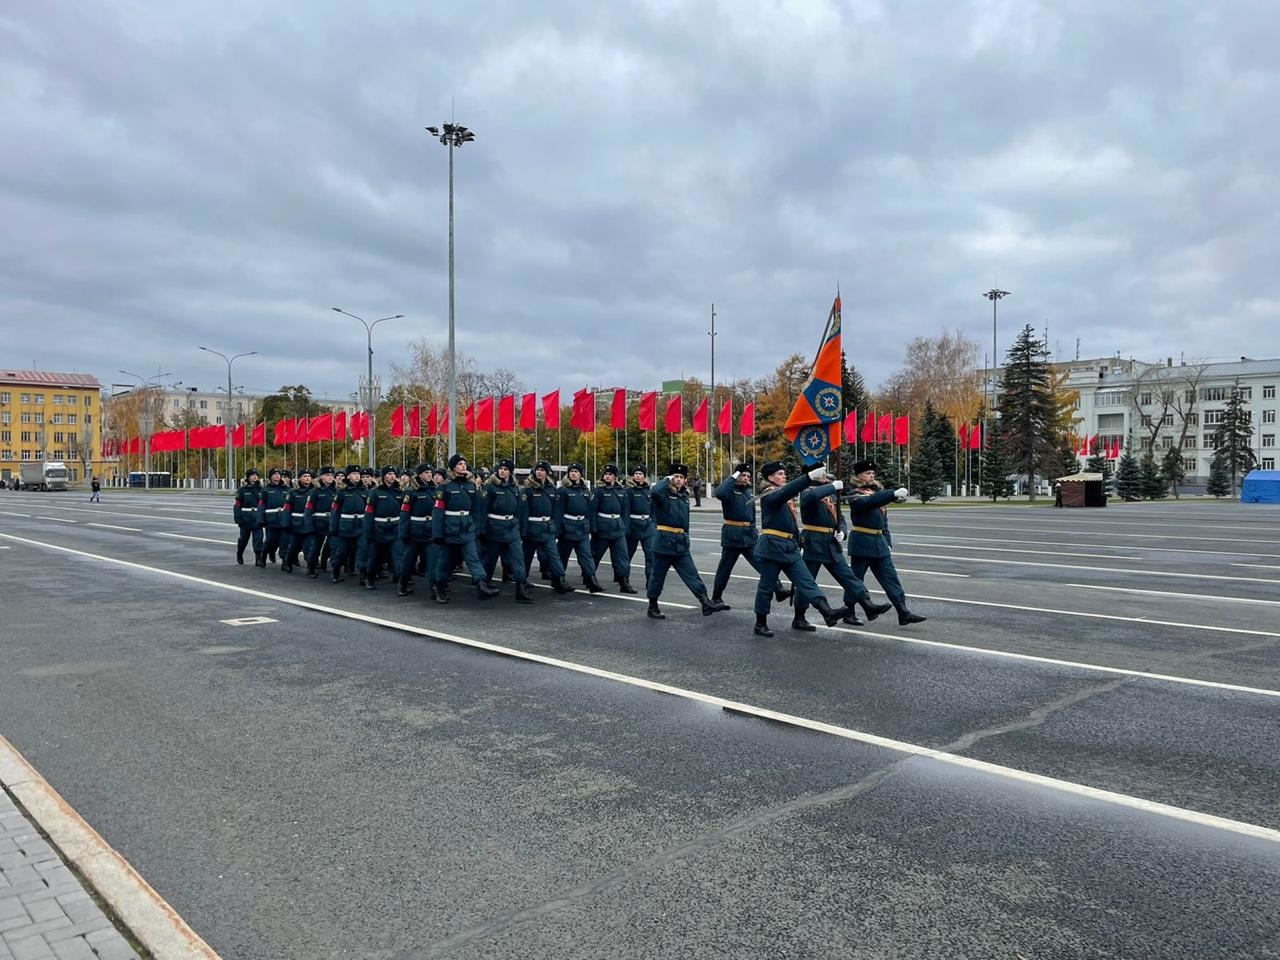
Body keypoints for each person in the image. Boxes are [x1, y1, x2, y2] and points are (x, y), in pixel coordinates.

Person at [750, 461, 851, 637]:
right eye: (780, 474)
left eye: (784, 473)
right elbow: (788, 490)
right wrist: (808, 478)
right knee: (766, 586)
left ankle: (827, 611)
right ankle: (760, 622)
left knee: (806, 582)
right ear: (770, 478)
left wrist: (799, 542)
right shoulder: (769, 494)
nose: (784, 476)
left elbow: (791, 525)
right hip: (772, 547)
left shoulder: (784, 495)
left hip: (789, 547)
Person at [791, 475, 894, 631]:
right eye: (820, 473)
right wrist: (832, 486)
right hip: (813, 541)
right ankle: (799, 617)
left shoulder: (831, 494)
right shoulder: (807, 492)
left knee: (848, 576)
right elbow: (814, 495)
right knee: (808, 582)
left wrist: (843, 532)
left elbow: (840, 517)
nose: (824, 475)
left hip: (830, 542)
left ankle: (868, 605)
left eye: (825, 473)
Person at [846, 459, 927, 626]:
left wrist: (887, 541)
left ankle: (903, 611)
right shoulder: (855, 493)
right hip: (862, 542)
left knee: (891, 579)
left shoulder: (876, 493)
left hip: (879, 543)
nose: (871, 476)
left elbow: (884, 521)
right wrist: (892, 494)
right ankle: (849, 612)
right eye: (868, 473)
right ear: (859, 475)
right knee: (856, 580)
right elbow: (870, 502)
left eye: (873, 473)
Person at [645, 463, 730, 619]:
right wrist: (667, 479)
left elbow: (685, 522)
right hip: (664, 542)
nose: (678, 480)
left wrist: (687, 537)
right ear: (670, 478)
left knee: (692, 574)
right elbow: (655, 491)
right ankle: (653, 605)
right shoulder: (662, 494)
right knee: (657, 577)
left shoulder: (684, 497)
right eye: (676, 477)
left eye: (681, 477)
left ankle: (705, 602)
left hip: (681, 543)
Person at [710, 463, 793, 608]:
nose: (746, 478)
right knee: (725, 569)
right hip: (733, 537)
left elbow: (752, 515)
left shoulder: (748, 493)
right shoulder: (729, 491)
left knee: (762, 564)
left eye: (748, 476)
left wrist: (754, 530)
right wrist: (734, 475)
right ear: (737, 476)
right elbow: (720, 493)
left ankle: (778, 589)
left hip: (749, 536)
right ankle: (716, 598)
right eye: (743, 475)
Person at [431, 453, 500, 603]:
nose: (463, 466)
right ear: (453, 468)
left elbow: (476, 509)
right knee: (445, 561)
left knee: (473, 558)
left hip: (466, 528)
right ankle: (439, 588)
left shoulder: (470, 486)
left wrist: (476, 528)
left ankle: (482, 585)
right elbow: (438, 512)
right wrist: (437, 533)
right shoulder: (444, 487)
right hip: (450, 529)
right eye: (460, 464)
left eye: (464, 464)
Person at [478, 458, 534, 603]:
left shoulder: (515, 488)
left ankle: (521, 589)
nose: (502, 471)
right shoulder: (490, 487)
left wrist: (520, 528)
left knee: (518, 559)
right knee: (490, 559)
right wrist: (482, 530)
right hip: (494, 527)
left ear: (510, 472)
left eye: (505, 469)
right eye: (500, 469)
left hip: (511, 528)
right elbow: (482, 510)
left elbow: (520, 510)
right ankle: (484, 585)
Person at [522, 460, 575, 594]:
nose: (539, 472)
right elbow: (523, 512)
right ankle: (521, 581)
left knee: (554, 556)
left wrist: (555, 527)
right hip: (532, 527)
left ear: (547, 473)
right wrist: (523, 530)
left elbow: (556, 511)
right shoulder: (527, 489)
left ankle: (559, 580)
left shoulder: (552, 489)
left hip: (547, 528)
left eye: (542, 470)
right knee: (526, 557)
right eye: (538, 470)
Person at [557, 463, 604, 593]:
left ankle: (591, 580)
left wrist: (588, 525)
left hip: (581, 527)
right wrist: (559, 529)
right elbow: (558, 511)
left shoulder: (585, 490)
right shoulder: (563, 490)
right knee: (562, 556)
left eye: (576, 471)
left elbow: (589, 510)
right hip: (568, 527)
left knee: (586, 556)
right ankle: (558, 579)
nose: (573, 474)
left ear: (580, 474)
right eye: (571, 471)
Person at [591, 464, 636, 594]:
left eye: (610, 474)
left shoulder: (622, 491)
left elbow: (625, 512)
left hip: (617, 527)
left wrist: (625, 528)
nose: (607, 476)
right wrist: (594, 528)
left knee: (622, 556)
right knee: (595, 555)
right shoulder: (599, 491)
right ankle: (590, 579)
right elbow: (593, 510)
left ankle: (624, 582)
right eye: (605, 474)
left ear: (615, 477)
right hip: (602, 527)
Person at [397, 464, 436, 598]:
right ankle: (403, 583)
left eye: (430, 472)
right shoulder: (411, 492)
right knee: (409, 560)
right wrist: (404, 533)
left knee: (433, 562)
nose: (429, 475)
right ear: (419, 474)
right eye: (426, 472)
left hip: (430, 531)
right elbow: (404, 514)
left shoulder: (435, 490)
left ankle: (435, 588)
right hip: (415, 531)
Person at [362, 466, 402, 590]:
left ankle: (400, 579)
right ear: (384, 476)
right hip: (379, 528)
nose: (392, 476)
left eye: (393, 474)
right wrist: (368, 532)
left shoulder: (400, 492)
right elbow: (368, 514)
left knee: (398, 555)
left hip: (395, 527)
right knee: (375, 556)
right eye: (389, 474)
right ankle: (370, 578)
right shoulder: (375, 492)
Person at [328, 465, 367, 584]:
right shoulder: (341, 493)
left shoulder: (365, 492)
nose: (357, 476)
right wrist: (333, 528)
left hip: (361, 525)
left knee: (362, 551)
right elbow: (335, 511)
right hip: (346, 526)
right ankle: (335, 571)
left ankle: (363, 575)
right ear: (349, 476)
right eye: (354, 474)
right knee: (342, 551)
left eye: (358, 474)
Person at [623, 465, 656, 591]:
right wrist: (626, 527)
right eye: (635, 473)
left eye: (640, 473)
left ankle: (650, 580)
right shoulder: (629, 491)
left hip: (647, 526)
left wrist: (654, 523)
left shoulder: (649, 491)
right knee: (627, 555)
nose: (637, 476)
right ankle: (624, 580)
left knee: (651, 555)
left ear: (644, 476)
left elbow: (654, 509)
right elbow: (625, 510)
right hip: (633, 525)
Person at [280, 467, 315, 573]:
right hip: (297, 523)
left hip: (309, 523)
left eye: (309, 476)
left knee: (309, 546)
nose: (307, 478)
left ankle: (310, 567)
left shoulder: (314, 492)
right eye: (305, 476)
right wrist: (286, 523)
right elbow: (287, 509)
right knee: (294, 546)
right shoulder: (293, 493)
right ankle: (287, 562)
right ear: (300, 478)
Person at [304, 466, 337, 578]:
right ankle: (311, 568)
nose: (330, 477)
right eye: (327, 475)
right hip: (318, 522)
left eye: (332, 475)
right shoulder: (315, 492)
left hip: (331, 522)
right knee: (315, 547)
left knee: (333, 546)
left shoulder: (336, 491)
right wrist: (309, 525)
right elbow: (308, 510)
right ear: (322, 477)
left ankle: (328, 566)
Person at [232, 468, 264, 565]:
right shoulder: (242, 490)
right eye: (252, 475)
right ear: (248, 477)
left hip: (257, 518)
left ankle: (258, 557)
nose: (254, 477)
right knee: (243, 539)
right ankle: (240, 553)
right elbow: (237, 505)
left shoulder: (261, 490)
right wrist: (238, 518)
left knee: (258, 539)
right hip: (246, 518)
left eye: (256, 475)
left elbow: (264, 505)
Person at [258, 468, 290, 566]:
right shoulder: (266, 490)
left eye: (278, 474)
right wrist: (261, 519)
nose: (277, 476)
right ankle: (263, 555)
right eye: (275, 474)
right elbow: (261, 506)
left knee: (284, 541)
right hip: (271, 520)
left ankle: (284, 561)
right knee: (270, 540)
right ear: (270, 477)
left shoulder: (287, 489)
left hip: (283, 520)